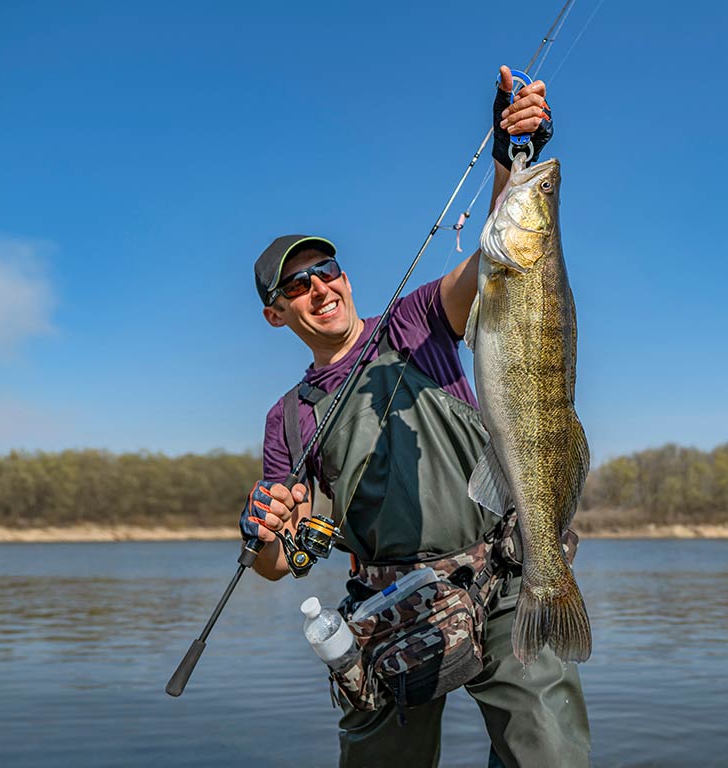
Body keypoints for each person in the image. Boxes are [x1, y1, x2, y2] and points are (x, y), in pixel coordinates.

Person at [239, 66, 590, 768]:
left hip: (501, 582)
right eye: (297, 284)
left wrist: (508, 150)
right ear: (277, 314)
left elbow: (505, 262)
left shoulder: (415, 322)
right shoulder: (290, 419)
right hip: (389, 615)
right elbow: (282, 564)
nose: (320, 287)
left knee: (552, 756)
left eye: (327, 269)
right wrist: (260, 537)